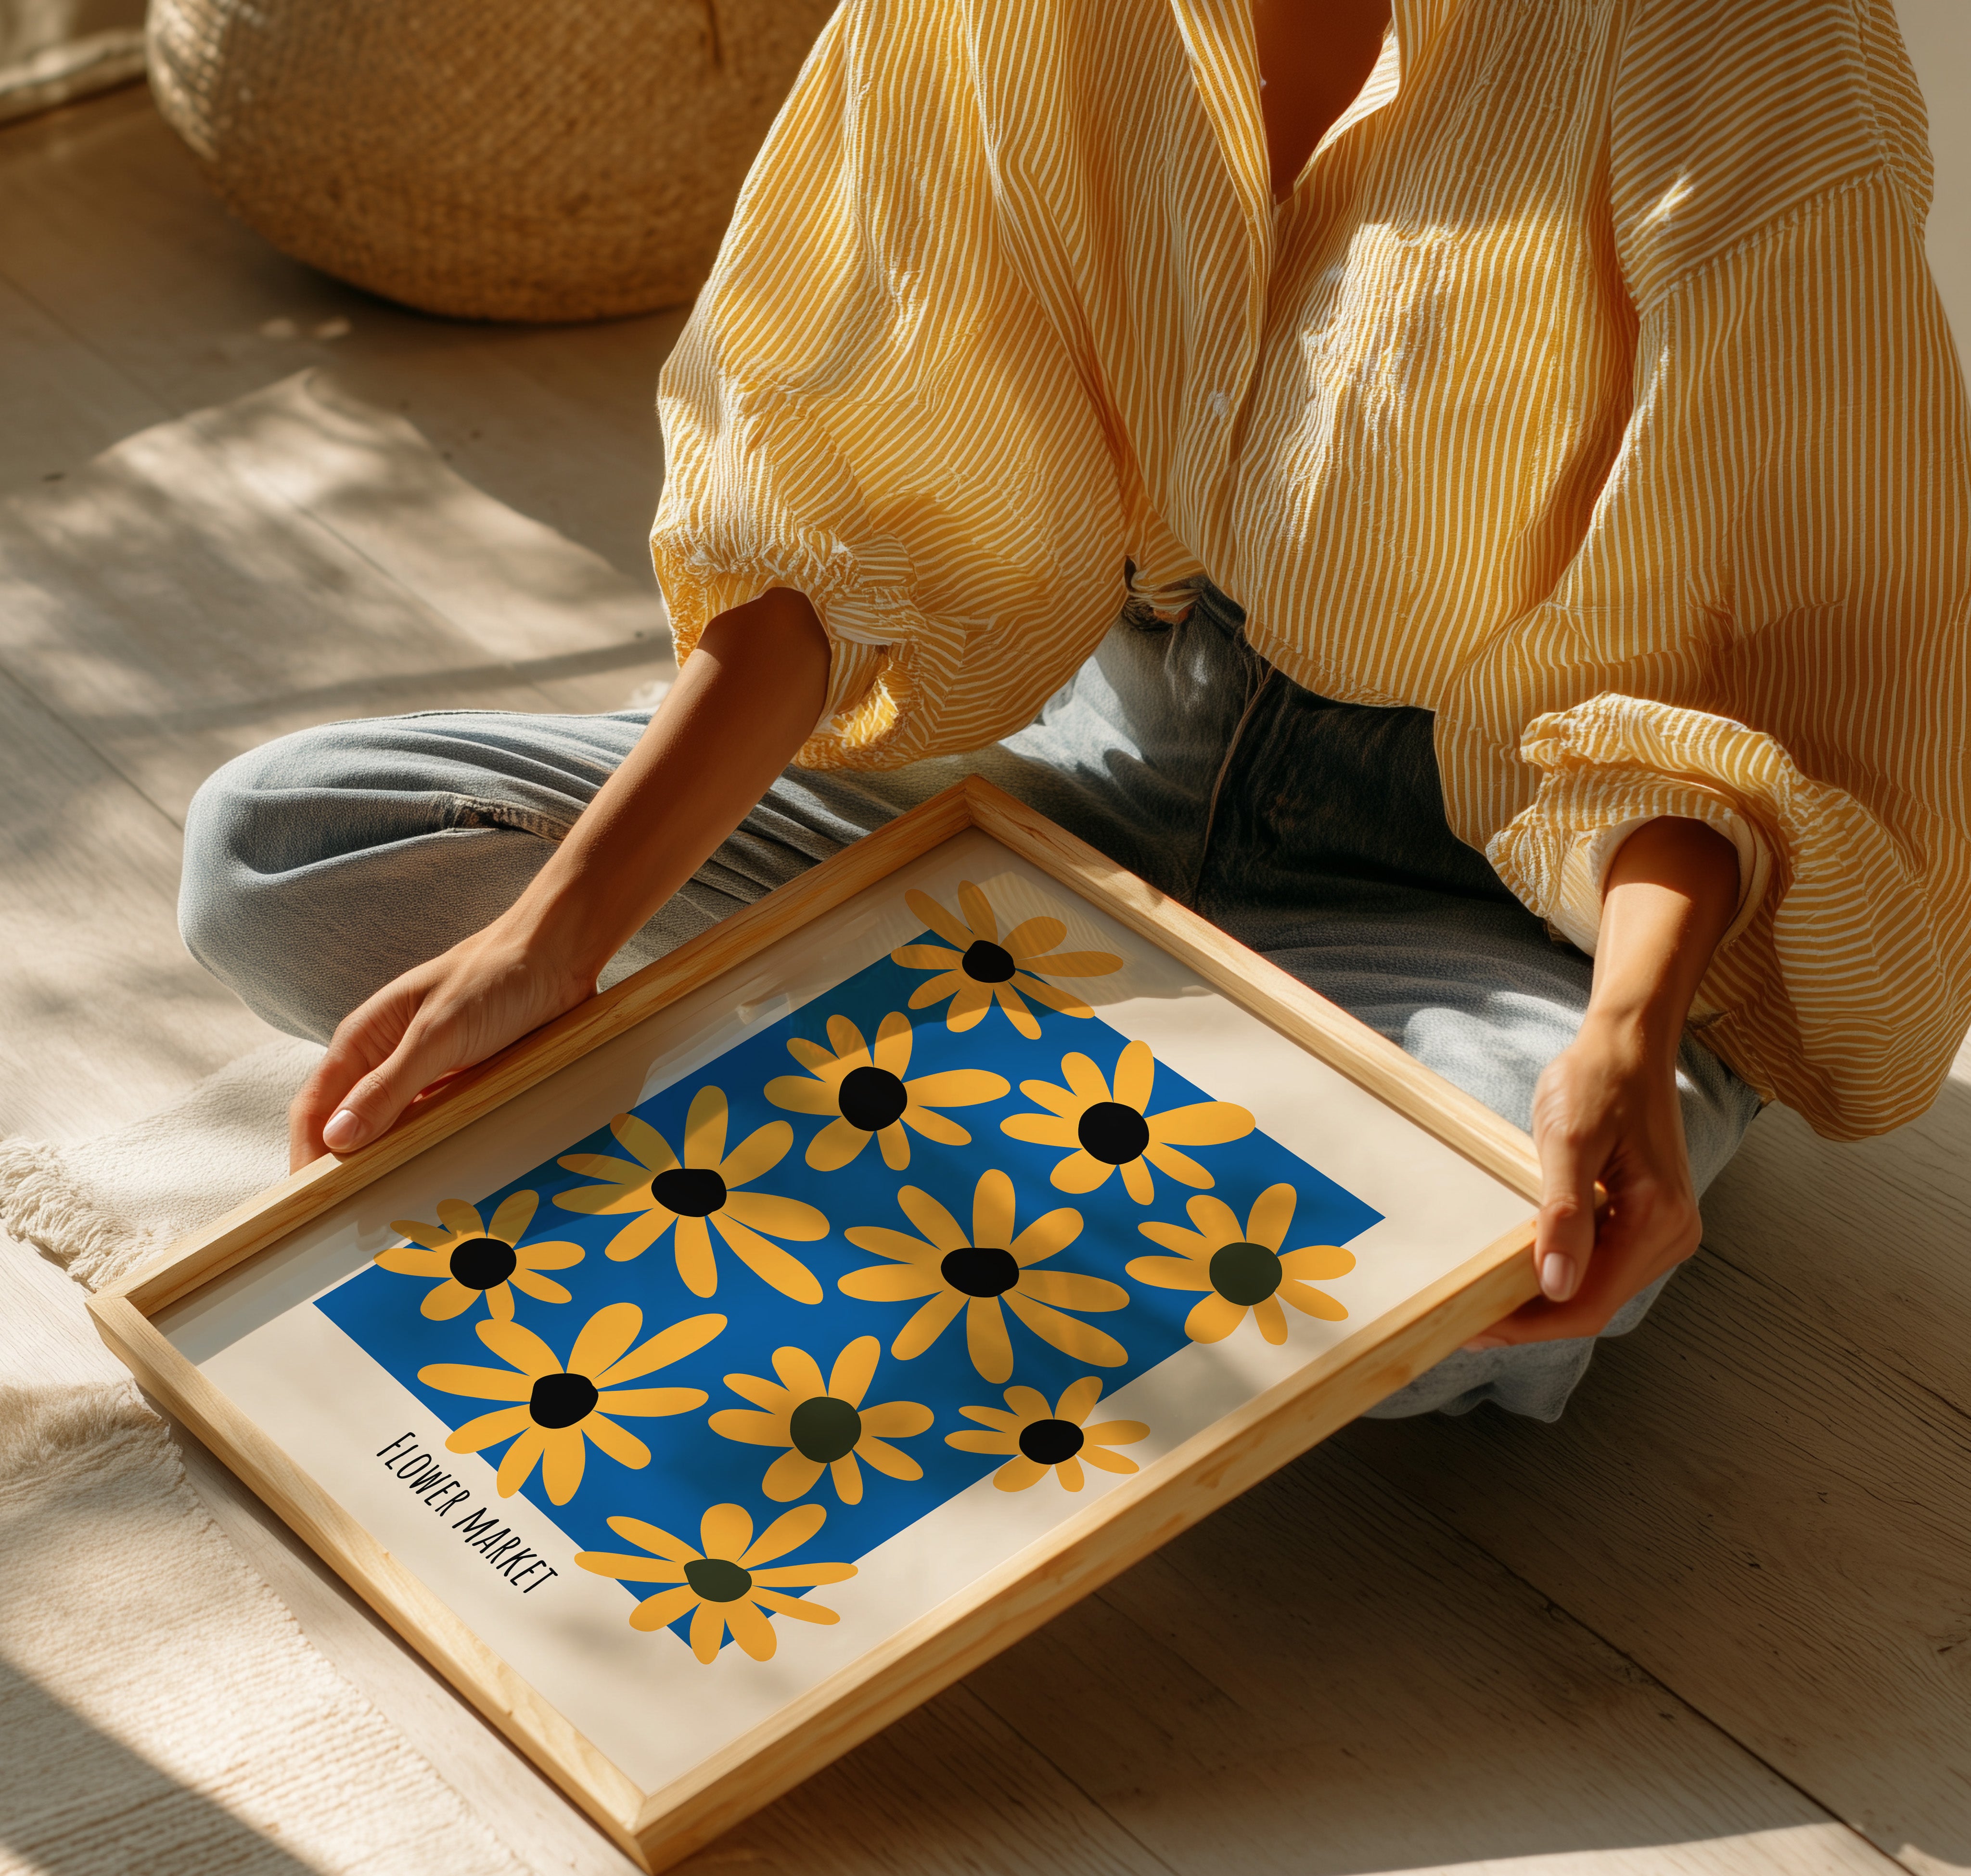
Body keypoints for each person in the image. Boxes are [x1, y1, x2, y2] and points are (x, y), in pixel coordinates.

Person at [178, 0, 1971, 1421]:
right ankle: (1094, 1145)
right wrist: (555, 938)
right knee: (281, 853)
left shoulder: (1740, 31)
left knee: (1483, 1266)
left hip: (1511, 882)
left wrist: (1627, 1039)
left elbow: (1751, 667)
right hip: (1093, 767)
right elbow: (841, 507)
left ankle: (989, 1106)